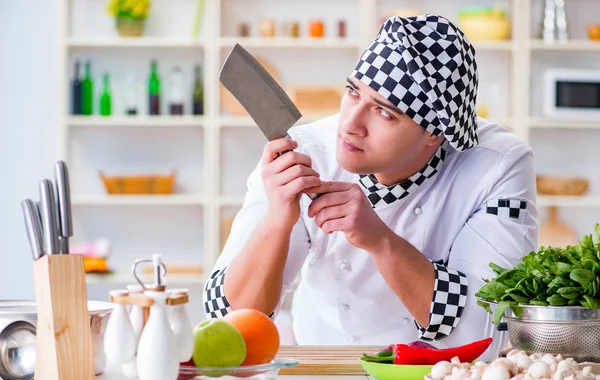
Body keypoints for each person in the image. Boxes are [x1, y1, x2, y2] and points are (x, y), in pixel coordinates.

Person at [203, 14, 538, 359]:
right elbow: (226, 321)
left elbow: (486, 331)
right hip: (325, 360)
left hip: (442, 372)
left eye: (384, 113)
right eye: (353, 92)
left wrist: (380, 240)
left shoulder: (497, 167)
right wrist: (276, 221)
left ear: (434, 135)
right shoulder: (302, 153)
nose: (349, 125)